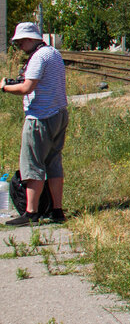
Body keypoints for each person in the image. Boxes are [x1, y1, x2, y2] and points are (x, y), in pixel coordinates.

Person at [3, 22, 69, 226]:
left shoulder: (38, 57)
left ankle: (31, 212)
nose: (20, 46)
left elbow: (27, 88)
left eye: (21, 42)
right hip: (59, 113)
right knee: (53, 163)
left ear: (31, 39)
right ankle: (57, 210)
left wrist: (5, 88)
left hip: (40, 117)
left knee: (32, 165)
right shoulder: (53, 53)